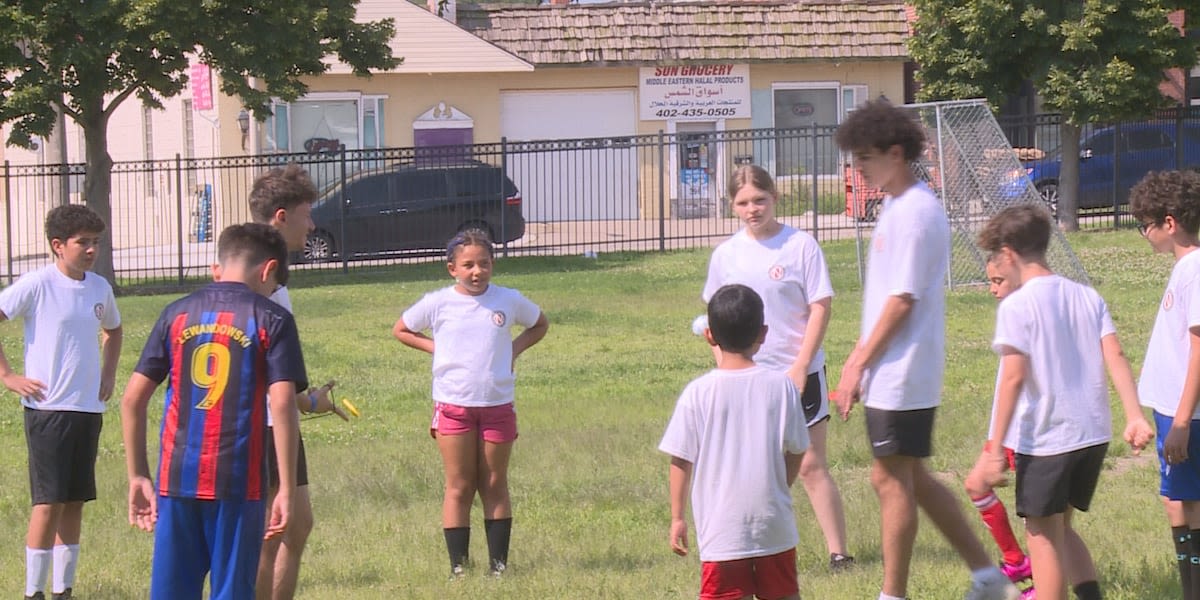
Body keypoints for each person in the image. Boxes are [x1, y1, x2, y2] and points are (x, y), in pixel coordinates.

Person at [831, 99, 1019, 600]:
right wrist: (860, 359)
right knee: (910, 475)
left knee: (890, 480)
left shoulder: (916, 211)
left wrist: (855, 365)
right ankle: (987, 576)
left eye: (865, 158)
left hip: (904, 371)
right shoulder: (895, 207)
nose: (859, 169)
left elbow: (901, 302)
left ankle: (893, 594)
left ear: (895, 153)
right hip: (892, 369)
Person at [969, 204, 1152, 600]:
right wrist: (1134, 415)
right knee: (1062, 527)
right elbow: (1115, 355)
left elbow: (1014, 375)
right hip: (1092, 434)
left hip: (1051, 438)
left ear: (1010, 254)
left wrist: (994, 449)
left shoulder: (1018, 305)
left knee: (1043, 537)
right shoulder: (1086, 295)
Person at [121, 223, 307, 599]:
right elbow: (283, 403)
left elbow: (131, 400)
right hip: (239, 479)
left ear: (217, 267)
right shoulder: (272, 318)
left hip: (176, 476)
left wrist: (138, 475)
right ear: (268, 270)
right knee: (232, 589)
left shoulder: (176, 314)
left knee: (172, 591)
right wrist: (286, 488)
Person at [702, 164, 853, 570]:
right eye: (743, 202)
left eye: (760, 200)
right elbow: (713, 316)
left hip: (796, 372)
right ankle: (748, 547)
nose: (753, 209)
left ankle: (839, 554)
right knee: (749, 463)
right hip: (748, 375)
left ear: (775, 198)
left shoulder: (800, 246)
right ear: (732, 206)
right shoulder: (727, 255)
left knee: (808, 464)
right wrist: (726, 366)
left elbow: (820, 305)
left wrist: (802, 365)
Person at [393, 229, 549, 579]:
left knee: (494, 483)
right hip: (454, 406)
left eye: (484, 264)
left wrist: (514, 349)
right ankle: (459, 568)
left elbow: (539, 324)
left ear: (492, 265)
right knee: (460, 485)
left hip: (497, 406)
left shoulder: (507, 300)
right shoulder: (438, 303)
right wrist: (437, 349)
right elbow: (401, 329)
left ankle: (498, 567)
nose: (477, 271)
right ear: (452, 269)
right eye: (468, 265)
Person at [0, 204, 122, 600]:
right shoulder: (38, 284)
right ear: (58, 245)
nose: (91, 250)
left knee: (74, 501)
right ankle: (32, 592)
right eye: (82, 242)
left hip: (86, 409)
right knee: (48, 502)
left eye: (96, 243)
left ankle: (62, 590)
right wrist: (8, 376)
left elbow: (114, 332)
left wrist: (107, 374)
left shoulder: (99, 288)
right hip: (48, 410)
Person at [662, 283, 811, 600]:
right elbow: (798, 448)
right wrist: (779, 484)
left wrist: (677, 518)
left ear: (709, 336)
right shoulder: (781, 387)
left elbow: (680, 459)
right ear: (764, 333)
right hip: (773, 526)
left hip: (722, 531)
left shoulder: (697, 394)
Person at [247, 163, 345, 600]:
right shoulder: (255, 278)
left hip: (281, 417)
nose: (313, 223)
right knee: (271, 532)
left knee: (297, 524)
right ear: (281, 217)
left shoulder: (276, 280)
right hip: (261, 426)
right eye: (307, 214)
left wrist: (307, 400)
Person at [1129, 170, 1200, 600]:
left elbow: (1199, 347)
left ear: (1169, 223)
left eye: (1146, 224)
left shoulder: (1194, 269)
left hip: (1185, 413)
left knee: (1190, 504)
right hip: (1174, 409)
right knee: (1176, 500)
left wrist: (1182, 420)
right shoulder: (1185, 268)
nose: (1144, 234)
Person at [965, 260, 1035, 599]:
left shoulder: (1028, 315)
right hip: (1004, 431)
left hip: (1027, 432)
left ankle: (1040, 585)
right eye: (990, 281)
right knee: (976, 485)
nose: (993, 288)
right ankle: (1016, 560)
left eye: (999, 281)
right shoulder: (1009, 316)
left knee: (1036, 517)